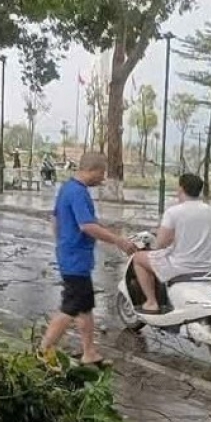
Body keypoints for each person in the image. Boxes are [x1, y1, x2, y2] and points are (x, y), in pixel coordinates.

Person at [40, 152, 136, 367]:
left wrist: (63, 244)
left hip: (72, 255)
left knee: (84, 306)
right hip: (75, 259)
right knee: (71, 306)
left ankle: (89, 352)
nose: (102, 179)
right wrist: (117, 240)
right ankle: (44, 349)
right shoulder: (78, 193)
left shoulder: (67, 188)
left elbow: (55, 220)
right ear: (91, 170)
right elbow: (87, 226)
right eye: (101, 173)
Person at [132, 173, 211, 314]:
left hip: (180, 265)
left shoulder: (174, 212)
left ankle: (151, 302)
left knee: (138, 258)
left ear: (181, 188)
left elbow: (160, 243)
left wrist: (159, 242)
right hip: (206, 265)